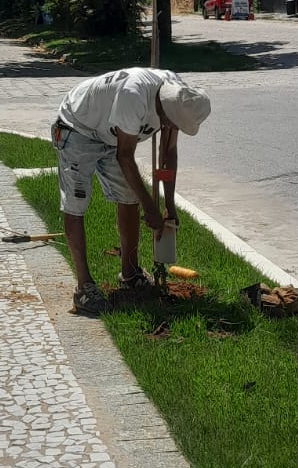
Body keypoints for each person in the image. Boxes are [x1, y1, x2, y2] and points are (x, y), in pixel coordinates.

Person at [51, 67, 211, 315]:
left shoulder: (179, 96)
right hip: (79, 127)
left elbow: (167, 152)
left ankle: (130, 272)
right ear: (165, 109)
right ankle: (84, 288)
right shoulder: (133, 95)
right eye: (169, 122)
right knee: (76, 202)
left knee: (128, 197)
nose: (169, 127)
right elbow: (125, 157)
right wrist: (150, 208)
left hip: (113, 136)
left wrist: (168, 203)